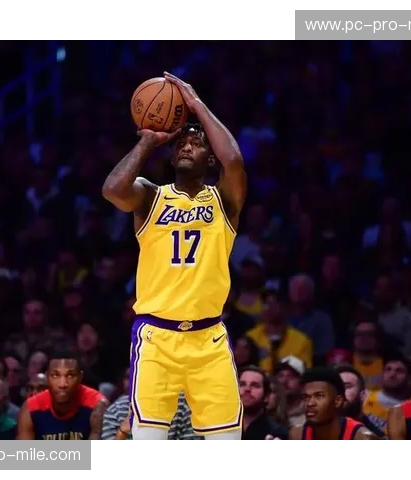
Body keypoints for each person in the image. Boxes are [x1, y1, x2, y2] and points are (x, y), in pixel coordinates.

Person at [102, 72, 247, 440]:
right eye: (181, 142)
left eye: (196, 144)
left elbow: (233, 160)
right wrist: (148, 141)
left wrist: (196, 105)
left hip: (208, 339)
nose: (186, 147)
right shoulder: (150, 196)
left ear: (209, 159)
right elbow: (113, 190)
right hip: (156, 338)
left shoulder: (224, 201)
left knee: (227, 446)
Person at [17, 351, 108, 440]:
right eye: (55, 375)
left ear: (80, 377)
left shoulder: (97, 404)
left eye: (70, 376)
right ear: (47, 377)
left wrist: (96, 432)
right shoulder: (31, 408)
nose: (62, 384)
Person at [286, 368, 380, 440]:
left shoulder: (362, 438)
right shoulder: (297, 435)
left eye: (319, 396)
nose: (310, 403)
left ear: (338, 401)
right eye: (306, 397)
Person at [362, 354, 411, 433]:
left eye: (399, 371)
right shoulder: (364, 397)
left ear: (410, 378)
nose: (392, 374)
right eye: (388, 369)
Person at [239, 366, 289, 440]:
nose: (247, 389)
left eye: (255, 385)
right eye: (242, 384)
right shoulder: (223, 425)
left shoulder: (276, 433)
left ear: (266, 396)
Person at [335, 365, 385, 437]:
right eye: (336, 387)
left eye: (347, 386)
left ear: (362, 395)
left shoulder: (375, 437)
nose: (340, 391)